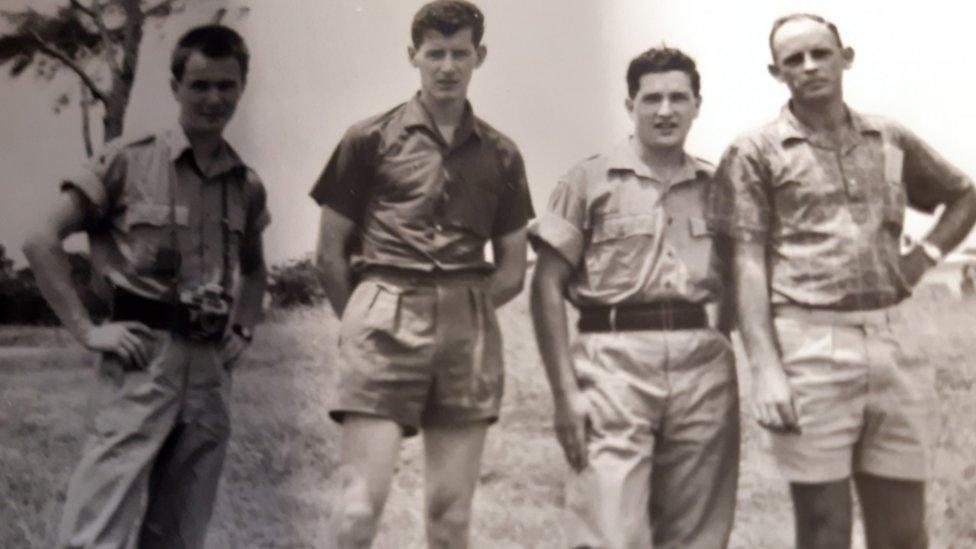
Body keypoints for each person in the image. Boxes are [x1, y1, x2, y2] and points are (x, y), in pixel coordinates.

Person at [713, 13, 976, 549]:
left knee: (903, 530)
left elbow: (964, 194)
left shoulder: (889, 138)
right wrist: (765, 369)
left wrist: (923, 258)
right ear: (776, 72)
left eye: (820, 53)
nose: (809, 67)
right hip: (808, 344)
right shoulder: (754, 152)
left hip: (892, 342)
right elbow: (746, 264)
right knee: (825, 527)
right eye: (794, 60)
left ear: (845, 57)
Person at [22, 24, 270, 548]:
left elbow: (253, 268)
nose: (213, 98)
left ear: (242, 88)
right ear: (176, 86)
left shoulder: (244, 185)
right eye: (200, 85)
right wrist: (89, 331)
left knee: (179, 534)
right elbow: (41, 239)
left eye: (226, 86)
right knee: (95, 531)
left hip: (208, 372)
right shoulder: (128, 160)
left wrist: (243, 329)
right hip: (141, 360)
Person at [309, 1, 533, 547]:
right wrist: (366, 317)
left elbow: (511, 267)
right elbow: (329, 255)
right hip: (383, 319)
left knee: (450, 517)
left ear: (480, 56)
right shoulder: (368, 140)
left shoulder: (502, 154)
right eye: (435, 54)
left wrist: (466, 309)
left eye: (460, 54)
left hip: (467, 329)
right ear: (414, 56)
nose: (448, 67)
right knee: (359, 508)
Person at [530, 46, 738, 548]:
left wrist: (718, 342)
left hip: (701, 363)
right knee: (609, 528)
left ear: (697, 105)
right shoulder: (588, 180)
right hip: (612, 360)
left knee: (698, 532)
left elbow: (738, 275)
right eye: (651, 99)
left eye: (677, 98)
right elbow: (546, 288)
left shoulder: (719, 186)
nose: (665, 110)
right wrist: (565, 394)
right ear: (630, 105)